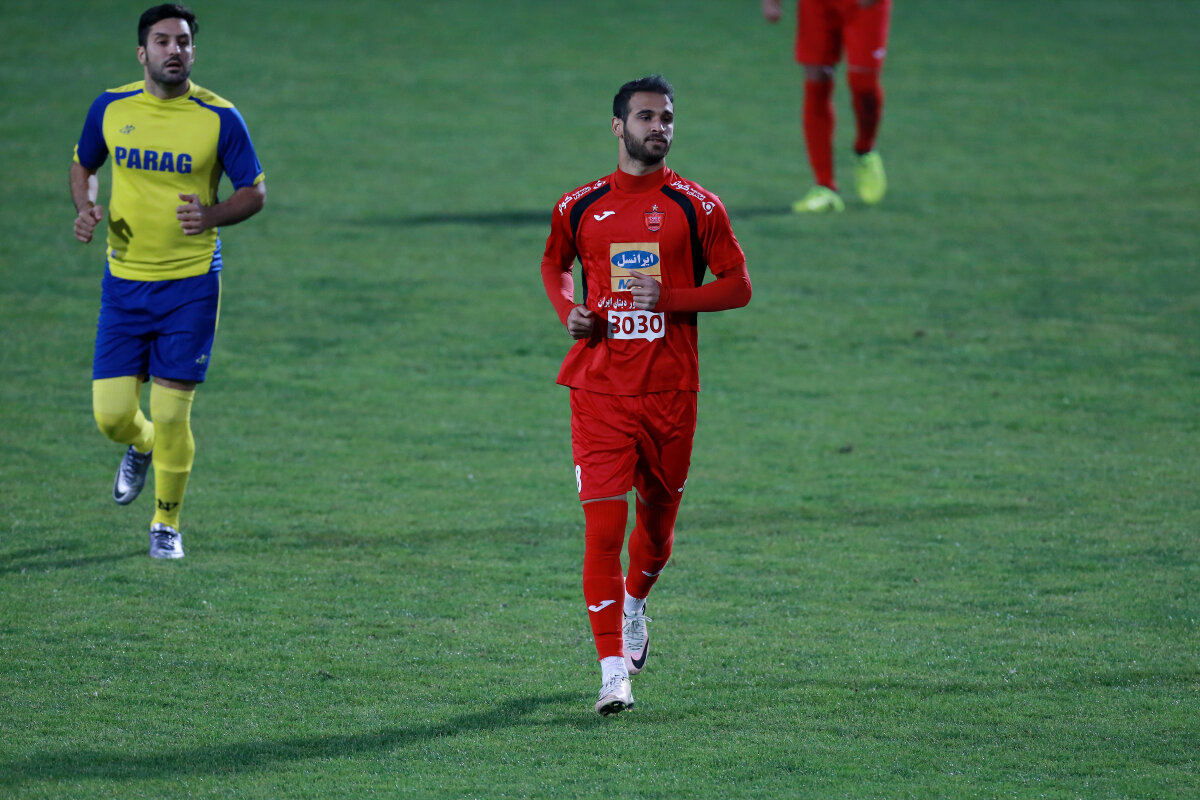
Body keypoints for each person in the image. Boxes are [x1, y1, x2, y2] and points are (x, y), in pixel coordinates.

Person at [540, 75, 752, 716]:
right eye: (645, 117)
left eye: (666, 118)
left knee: (656, 532)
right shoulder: (579, 205)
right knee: (604, 529)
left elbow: (738, 285)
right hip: (599, 389)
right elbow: (554, 266)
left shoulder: (697, 206)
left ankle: (634, 606)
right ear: (618, 126)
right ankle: (612, 673)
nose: (658, 127)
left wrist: (671, 298)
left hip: (670, 392)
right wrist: (570, 312)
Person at [70, 4, 266, 559]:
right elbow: (84, 164)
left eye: (183, 42)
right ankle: (144, 445)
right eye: (162, 41)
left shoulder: (219, 117)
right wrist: (85, 207)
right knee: (112, 417)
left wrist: (210, 215)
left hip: (191, 285)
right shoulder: (110, 107)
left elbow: (254, 192)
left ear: (193, 52)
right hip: (124, 283)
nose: (174, 50)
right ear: (143, 52)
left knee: (174, 411)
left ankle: (166, 524)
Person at [763, 0, 892, 212]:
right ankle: (824, 186)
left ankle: (865, 149)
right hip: (816, 5)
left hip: (863, 6)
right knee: (816, 78)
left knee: (864, 85)